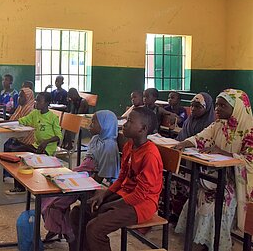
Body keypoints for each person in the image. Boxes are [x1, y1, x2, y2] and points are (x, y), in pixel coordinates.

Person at [69, 107, 163, 251]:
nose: (124, 124)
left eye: (130, 121)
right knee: (78, 212)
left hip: (142, 204)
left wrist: (114, 205)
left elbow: (141, 194)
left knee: (95, 228)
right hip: (125, 195)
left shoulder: (150, 155)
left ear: (143, 129)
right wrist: (104, 194)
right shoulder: (129, 145)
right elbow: (121, 178)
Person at [174, 89, 253, 251]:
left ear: (236, 107)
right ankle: (203, 239)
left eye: (223, 105)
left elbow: (250, 161)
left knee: (211, 204)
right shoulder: (219, 124)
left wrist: (224, 153)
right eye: (216, 105)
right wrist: (183, 144)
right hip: (217, 178)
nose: (217, 108)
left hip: (237, 182)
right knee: (197, 197)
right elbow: (201, 137)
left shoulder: (249, 129)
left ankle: (216, 242)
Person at [41, 110, 120, 242]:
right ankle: (58, 227)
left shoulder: (109, 146)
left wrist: (81, 183)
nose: (90, 124)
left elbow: (101, 175)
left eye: (95, 122)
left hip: (89, 181)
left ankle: (67, 231)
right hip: (81, 174)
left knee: (57, 201)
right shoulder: (96, 139)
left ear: (105, 125)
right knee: (48, 194)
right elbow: (86, 161)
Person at [7, 92, 63, 194]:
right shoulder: (35, 113)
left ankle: (32, 185)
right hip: (36, 145)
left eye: (39, 101)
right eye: (36, 100)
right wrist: (8, 123)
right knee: (16, 154)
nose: (36, 102)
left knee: (29, 159)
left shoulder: (53, 117)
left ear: (46, 103)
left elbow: (59, 137)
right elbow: (23, 120)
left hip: (47, 149)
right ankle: (20, 186)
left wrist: (46, 142)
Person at [0, 87, 35, 181]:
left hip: (25, 139)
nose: (19, 98)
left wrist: (3, 123)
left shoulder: (29, 109)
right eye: (19, 96)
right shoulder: (20, 107)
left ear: (28, 98)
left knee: (5, 147)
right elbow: (13, 120)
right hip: (16, 135)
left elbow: (21, 124)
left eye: (22, 96)